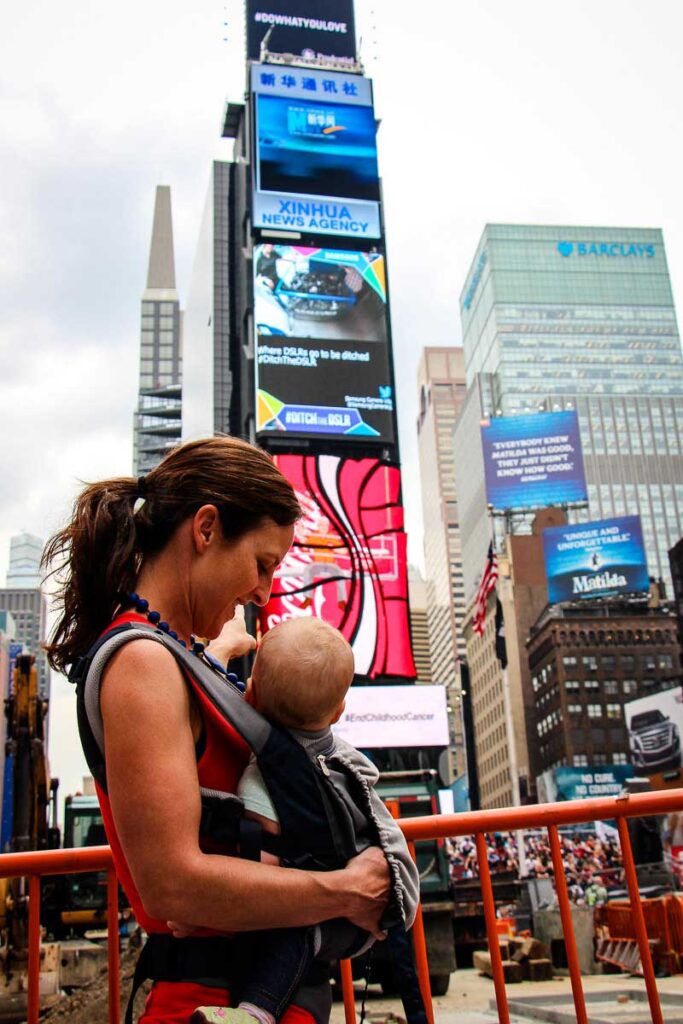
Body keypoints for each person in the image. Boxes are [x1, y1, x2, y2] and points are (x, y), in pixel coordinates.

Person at [43, 436, 392, 1024]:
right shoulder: (144, 664)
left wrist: (212, 653)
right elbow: (173, 886)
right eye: (262, 563)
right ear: (205, 529)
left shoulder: (173, 657)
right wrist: (345, 890)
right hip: (210, 1002)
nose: (264, 592)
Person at [165, 616, 419, 1024]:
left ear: (249, 696)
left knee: (294, 931)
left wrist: (203, 912)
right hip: (376, 911)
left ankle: (255, 1014)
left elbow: (261, 873)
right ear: (338, 711)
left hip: (335, 916)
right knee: (301, 930)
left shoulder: (265, 777)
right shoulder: (347, 760)